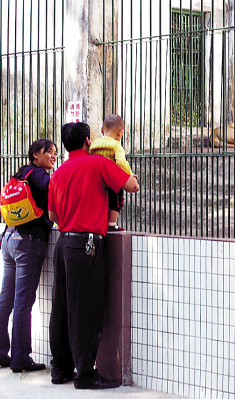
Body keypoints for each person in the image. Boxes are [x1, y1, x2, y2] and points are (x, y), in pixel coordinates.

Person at [48, 121, 139, 389]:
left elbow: (52, 216)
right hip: (87, 244)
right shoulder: (98, 164)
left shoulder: (58, 172)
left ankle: (60, 368)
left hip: (63, 243)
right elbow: (131, 185)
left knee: (62, 306)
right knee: (85, 308)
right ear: (89, 140)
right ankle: (86, 373)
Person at [0, 139, 58, 372]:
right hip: (28, 243)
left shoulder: (20, 174)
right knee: (23, 302)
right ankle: (20, 359)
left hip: (9, 239)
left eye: (55, 152)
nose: (53, 155)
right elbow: (55, 194)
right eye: (48, 151)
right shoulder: (39, 175)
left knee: (5, 300)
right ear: (35, 154)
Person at [89, 114, 136, 232]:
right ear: (121, 132)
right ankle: (111, 224)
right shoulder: (116, 145)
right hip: (112, 180)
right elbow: (121, 161)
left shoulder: (94, 144)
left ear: (102, 130)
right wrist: (129, 174)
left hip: (96, 180)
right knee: (117, 201)